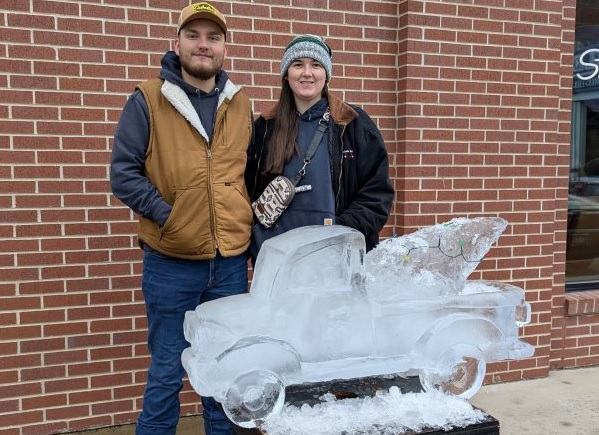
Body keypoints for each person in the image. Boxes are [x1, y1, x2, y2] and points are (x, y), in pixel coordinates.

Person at [110, 3, 252, 435]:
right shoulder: (148, 99)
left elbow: (244, 173)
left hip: (228, 264)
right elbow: (124, 173)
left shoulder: (239, 102)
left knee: (223, 372)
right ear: (178, 43)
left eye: (213, 37)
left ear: (225, 47)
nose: (203, 45)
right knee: (167, 371)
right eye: (194, 35)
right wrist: (169, 217)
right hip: (170, 262)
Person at [246, 34, 394, 259]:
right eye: (298, 65)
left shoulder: (353, 123)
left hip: (336, 258)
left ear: (326, 74)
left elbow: (377, 193)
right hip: (279, 259)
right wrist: (257, 242)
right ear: (286, 74)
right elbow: (246, 189)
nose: (307, 72)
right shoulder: (265, 127)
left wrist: (342, 232)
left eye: (316, 65)